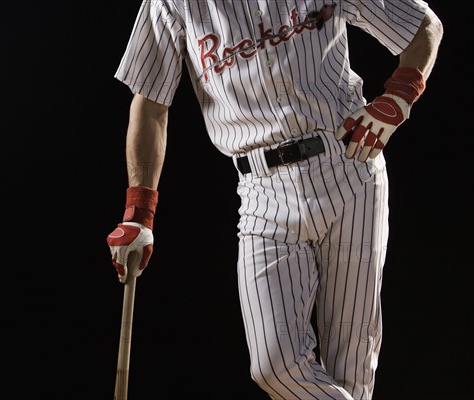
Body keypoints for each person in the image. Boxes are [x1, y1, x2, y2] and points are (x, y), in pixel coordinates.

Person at [106, 1, 443, 399]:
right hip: (261, 190)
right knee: (274, 367)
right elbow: (150, 105)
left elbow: (424, 25)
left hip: (349, 165)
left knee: (351, 372)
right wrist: (139, 210)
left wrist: (398, 98)